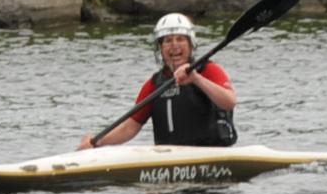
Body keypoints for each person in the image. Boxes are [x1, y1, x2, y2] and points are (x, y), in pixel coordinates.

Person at [78, 12, 238, 150]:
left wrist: (196, 79)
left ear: (191, 45)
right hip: (171, 159)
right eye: (167, 41)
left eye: (180, 39)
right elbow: (130, 127)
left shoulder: (208, 71)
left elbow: (229, 102)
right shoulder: (154, 84)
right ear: (160, 49)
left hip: (212, 153)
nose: (174, 46)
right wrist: (97, 142)